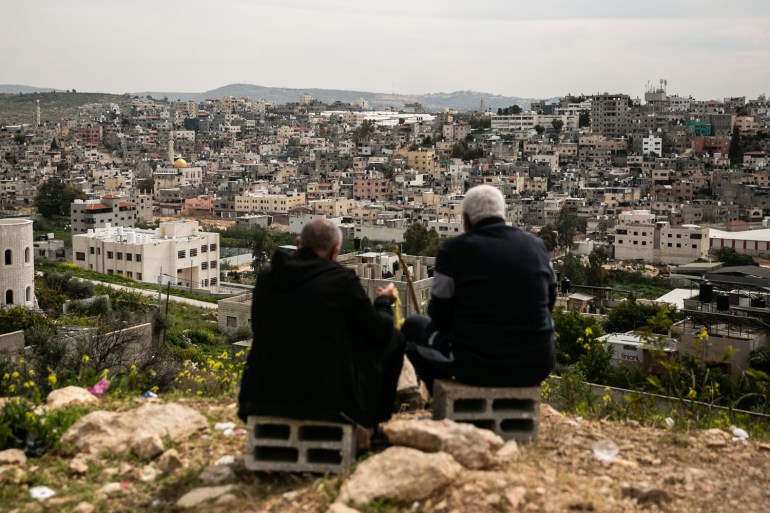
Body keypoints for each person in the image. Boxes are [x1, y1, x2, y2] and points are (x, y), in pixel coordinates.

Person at [238, 219, 404, 431]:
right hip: (329, 404)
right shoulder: (341, 280)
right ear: (335, 250)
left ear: (298, 243)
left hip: (259, 400)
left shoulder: (267, 277)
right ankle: (371, 424)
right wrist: (383, 302)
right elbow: (379, 332)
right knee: (396, 338)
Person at [402, 185, 556, 391]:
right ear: (502, 213)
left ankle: (436, 400)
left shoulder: (452, 251)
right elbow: (550, 301)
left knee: (411, 328)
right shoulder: (537, 247)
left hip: (477, 366)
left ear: (466, 219)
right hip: (537, 365)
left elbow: (438, 315)